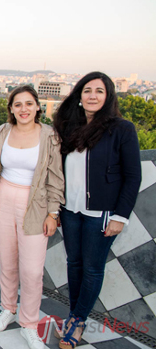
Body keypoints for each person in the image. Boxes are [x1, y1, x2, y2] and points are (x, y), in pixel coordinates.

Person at [53, 72, 141, 349]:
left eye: (99, 91)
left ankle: (77, 321)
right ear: (79, 96)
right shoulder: (70, 127)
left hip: (101, 213)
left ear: (108, 96)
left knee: (91, 269)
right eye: (87, 90)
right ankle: (73, 316)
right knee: (74, 264)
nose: (92, 96)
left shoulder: (121, 129)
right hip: (70, 210)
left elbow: (133, 176)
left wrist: (120, 216)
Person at [0, 85, 65, 349]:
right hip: (4, 199)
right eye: (18, 104)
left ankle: (29, 323)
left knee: (31, 270)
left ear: (38, 107)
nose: (23, 109)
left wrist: (53, 213)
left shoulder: (49, 136)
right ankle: (8, 308)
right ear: (11, 109)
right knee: (7, 263)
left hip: (35, 204)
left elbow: (55, 178)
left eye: (29, 104)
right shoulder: (4, 131)